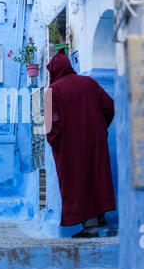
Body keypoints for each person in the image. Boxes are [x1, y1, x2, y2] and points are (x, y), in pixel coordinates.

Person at [45, 48, 116, 238]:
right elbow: (109, 106)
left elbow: (51, 125)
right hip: (95, 142)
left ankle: (90, 228)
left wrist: (56, 144)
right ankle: (97, 218)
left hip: (70, 147)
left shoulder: (51, 91)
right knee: (95, 177)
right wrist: (101, 128)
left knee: (77, 183)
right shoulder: (90, 83)